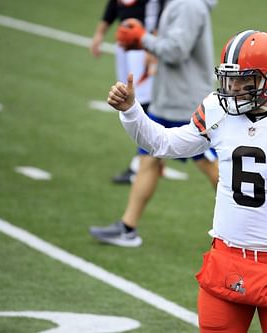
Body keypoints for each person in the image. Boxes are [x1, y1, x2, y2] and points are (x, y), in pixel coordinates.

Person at [106, 29, 267, 332]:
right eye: (230, 78)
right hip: (226, 259)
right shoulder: (217, 110)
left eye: (246, 80)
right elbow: (164, 144)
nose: (235, 88)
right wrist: (132, 112)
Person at [89, 0, 219, 247]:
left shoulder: (189, 5)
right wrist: (145, 38)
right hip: (169, 98)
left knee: (211, 166)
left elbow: (176, 50)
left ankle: (251, 223)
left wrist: (142, 38)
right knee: (148, 158)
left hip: (185, 102)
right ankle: (127, 228)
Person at [90, 0, 162, 185]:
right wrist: (100, 32)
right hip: (126, 38)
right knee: (128, 96)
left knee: (143, 101)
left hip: (143, 39)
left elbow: (161, 7)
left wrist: (152, 43)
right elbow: (116, 3)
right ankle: (152, 160)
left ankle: (142, 162)